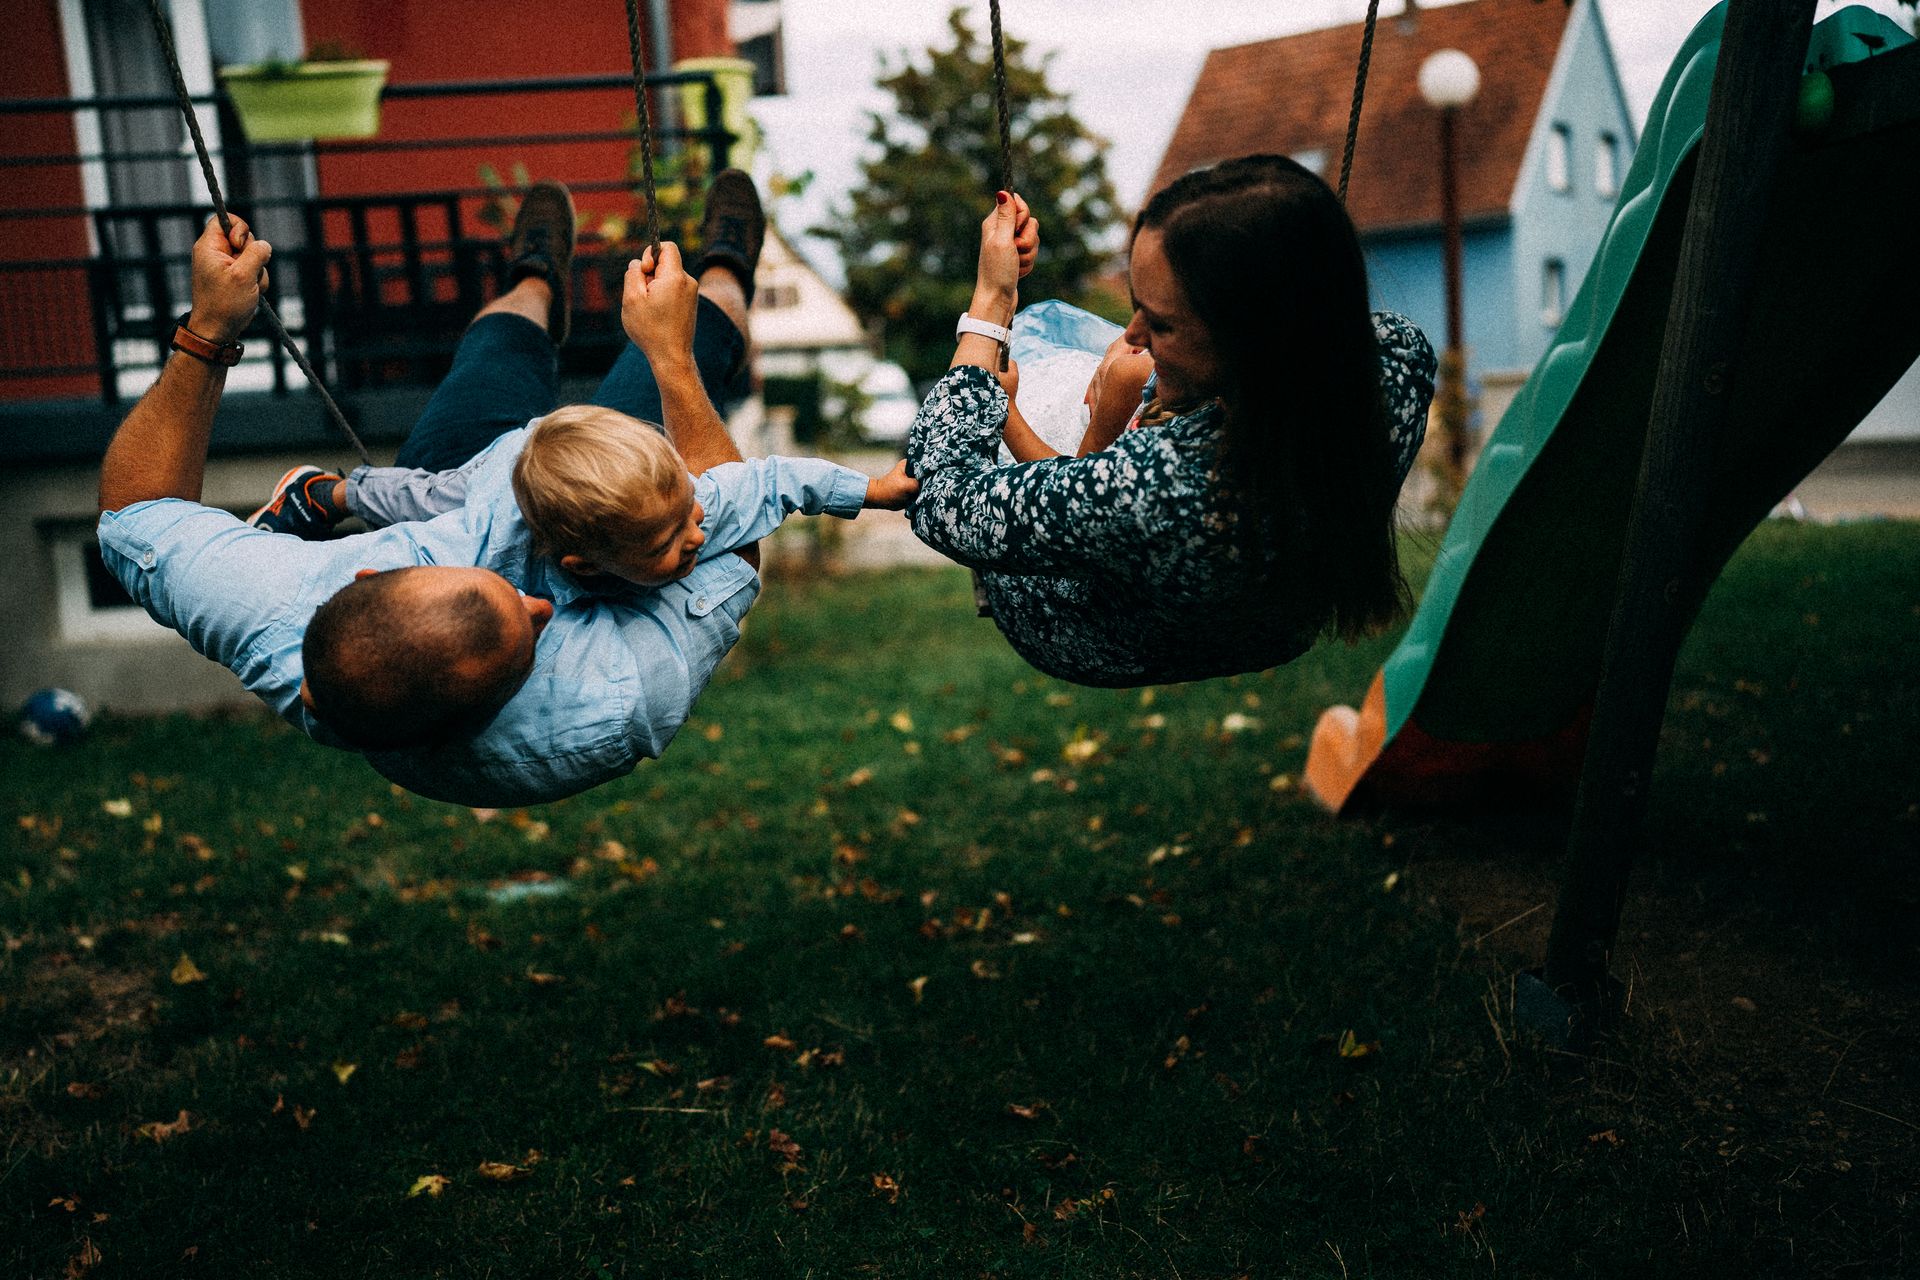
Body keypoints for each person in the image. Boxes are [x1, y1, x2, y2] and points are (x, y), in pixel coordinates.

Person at [97, 174, 909, 807]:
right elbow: (737, 543)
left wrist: (208, 326)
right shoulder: (615, 698)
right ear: (485, 715)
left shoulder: (273, 610)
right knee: (702, 334)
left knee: (494, 353)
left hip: (473, 487)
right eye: (530, 636)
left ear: (369, 575)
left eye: (498, 591)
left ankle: (532, 283)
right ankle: (731, 267)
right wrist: (669, 357)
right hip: (615, 520)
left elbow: (134, 514)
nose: (541, 605)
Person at [907, 155, 1438, 688]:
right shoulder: (1393, 363)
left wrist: (992, 301)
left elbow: (941, 496)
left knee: (1014, 361)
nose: (1133, 334)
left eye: (1161, 322)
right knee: (1061, 340)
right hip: (1275, 625)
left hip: (1085, 630)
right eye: (1137, 305)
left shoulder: (1163, 489)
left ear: (1254, 338)